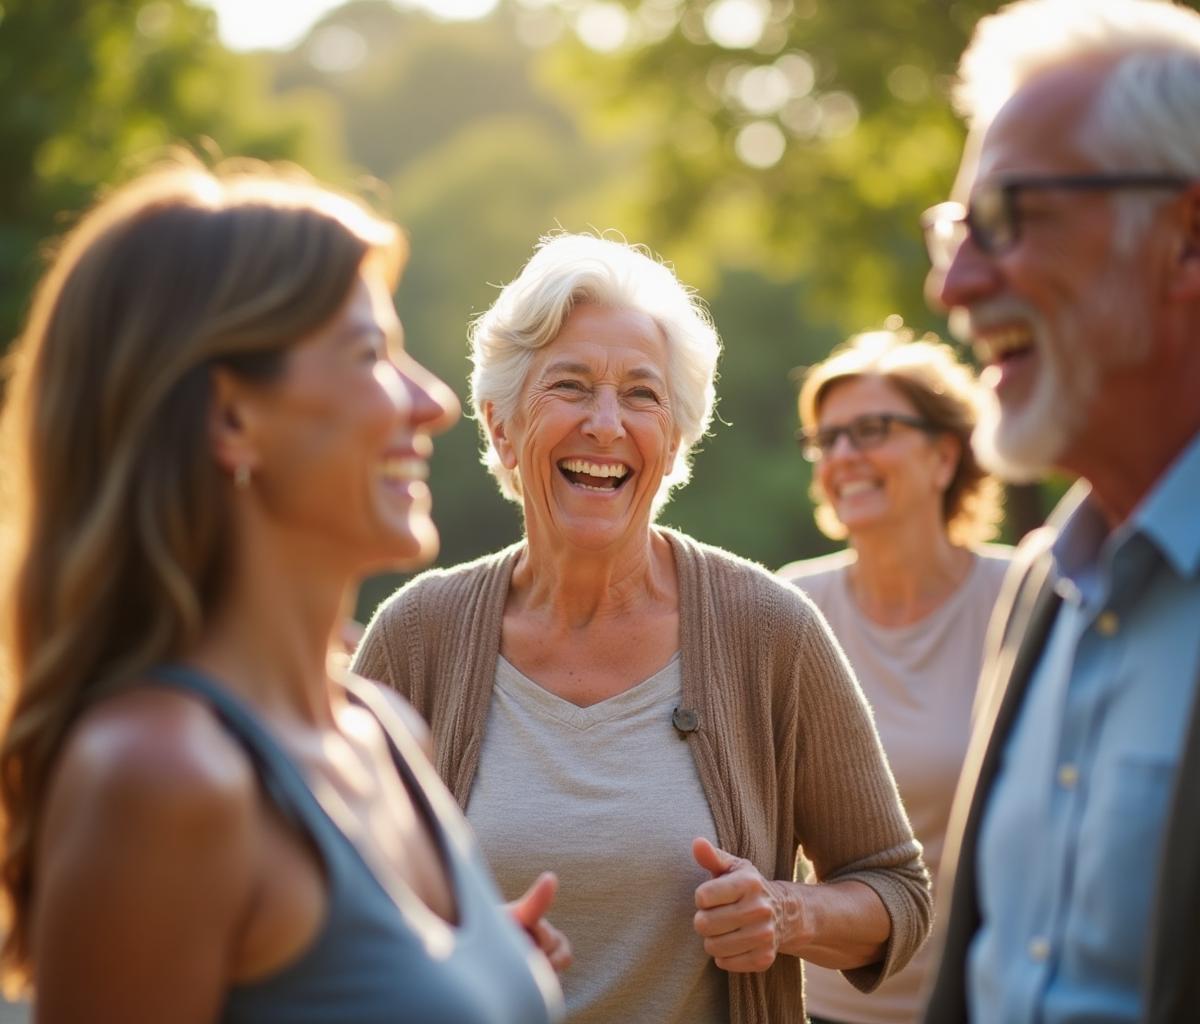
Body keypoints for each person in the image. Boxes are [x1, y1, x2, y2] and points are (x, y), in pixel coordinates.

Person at [0, 160, 569, 1022]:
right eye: (370, 352)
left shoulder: (384, 729)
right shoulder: (160, 779)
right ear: (231, 419)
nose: (435, 401)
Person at [353, 233, 932, 1024]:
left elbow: (897, 892)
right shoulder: (415, 637)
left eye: (642, 394)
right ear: (500, 424)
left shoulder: (770, 631)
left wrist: (786, 912)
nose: (605, 423)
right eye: (571, 385)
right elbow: (342, 917)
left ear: (675, 440)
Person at [917, 1, 1200, 1021]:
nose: (954, 284)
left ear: (1187, 238)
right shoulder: (1045, 586)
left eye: (1008, 218)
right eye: (955, 229)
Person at [778, 329, 1010, 1024]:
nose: (843, 456)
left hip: (985, 1003)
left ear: (945, 455)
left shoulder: (1027, 596)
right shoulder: (790, 607)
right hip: (822, 1008)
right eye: (826, 440)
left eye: (871, 431)